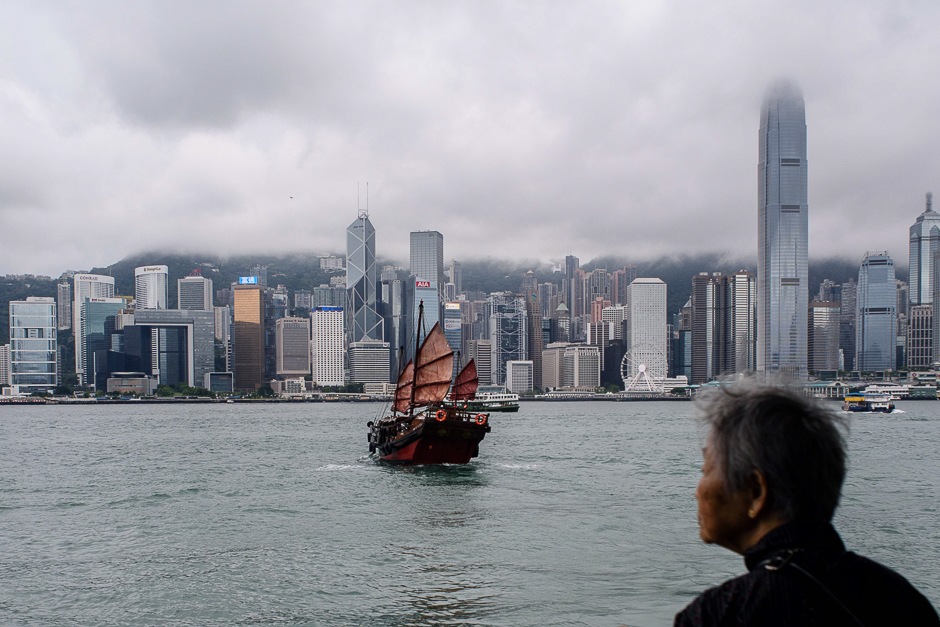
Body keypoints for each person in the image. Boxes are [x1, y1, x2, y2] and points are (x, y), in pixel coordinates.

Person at [675, 384, 939, 626]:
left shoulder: (722, 613)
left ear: (756, 491)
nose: (697, 493)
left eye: (706, 470)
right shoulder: (903, 599)